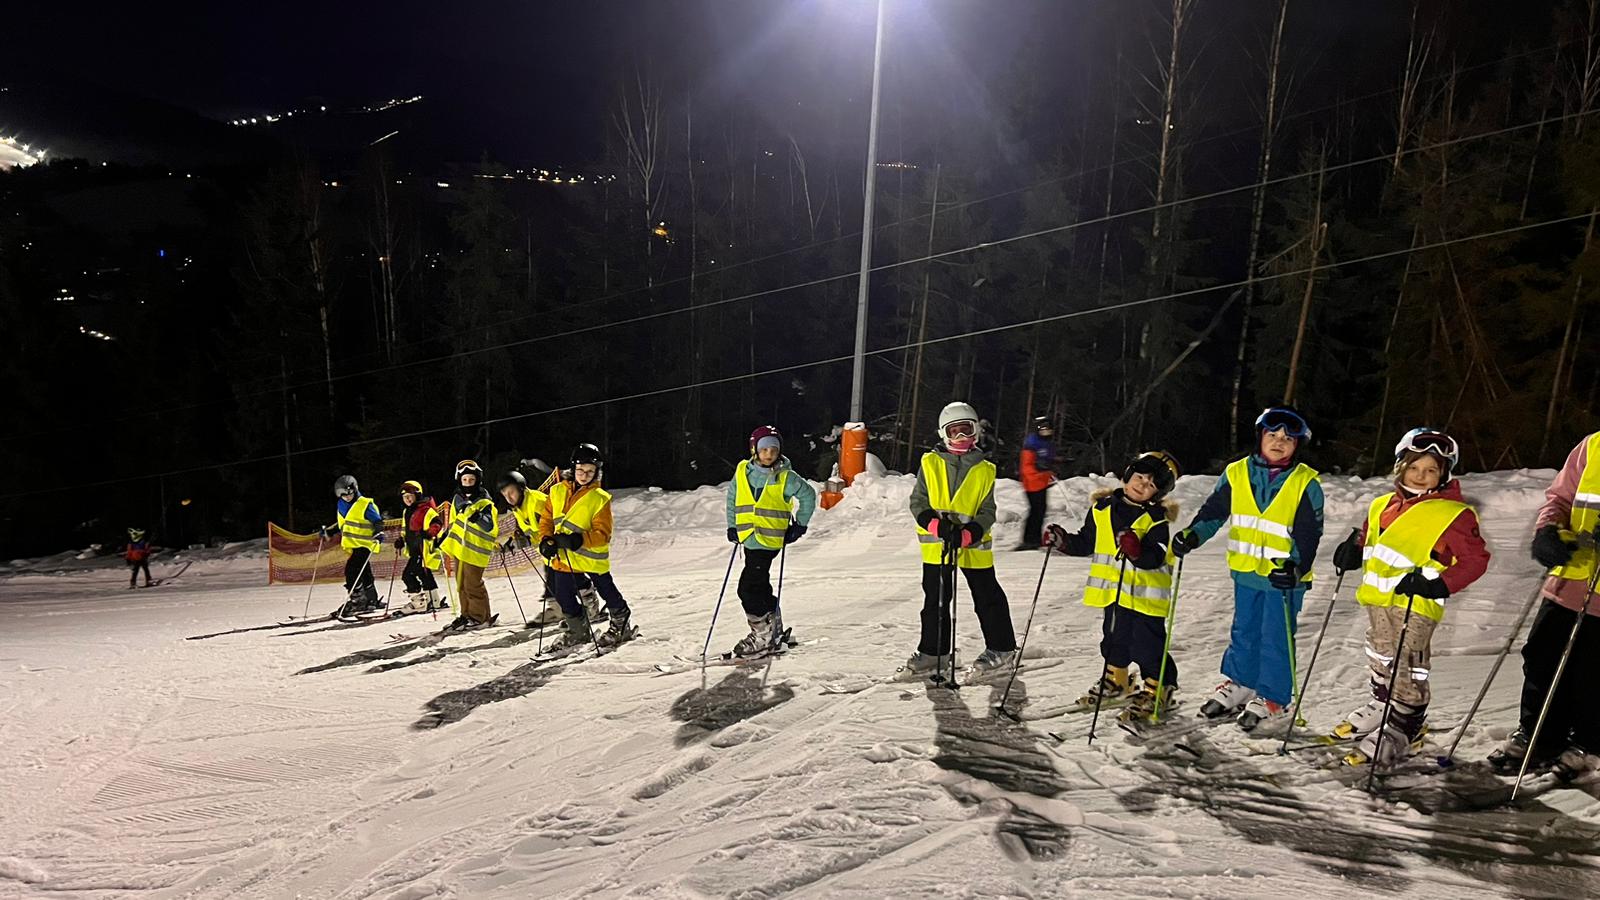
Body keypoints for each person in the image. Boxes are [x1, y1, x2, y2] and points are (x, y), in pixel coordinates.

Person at [1327, 429, 1489, 765]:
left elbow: (1475, 560)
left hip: (1417, 603)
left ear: (1444, 474)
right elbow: (1369, 538)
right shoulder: (1381, 505)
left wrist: (1440, 584)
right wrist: (1352, 549)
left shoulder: (1453, 514)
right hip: (1378, 599)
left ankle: (1407, 723)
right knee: (1379, 652)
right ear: (1400, 466)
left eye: (1431, 470)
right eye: (1414, 467)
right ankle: (1383, 703)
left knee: (1408, 662)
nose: (1420, 475)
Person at [1171, 406, 1325, 731]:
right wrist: (1193, 535)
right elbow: (1214, 512)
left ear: (1297, 445)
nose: (1279, 442)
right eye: (1273, 435)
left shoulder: (1305, 482)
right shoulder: (1237, 473)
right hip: (1246, 572)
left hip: (1283, 579)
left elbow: (1309, 535)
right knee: (1244, 631)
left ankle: (1274, 698)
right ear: (1260, 437)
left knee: (1275, 637)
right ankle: (1241, 684)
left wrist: (1297, 567)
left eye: (1288, 439)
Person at [1490, 430, 1600, 779]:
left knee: (1592, 673)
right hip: (1570, 578)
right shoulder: (1592, 446)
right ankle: (1539, 735)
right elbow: (1560, 498)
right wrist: (1547, 530)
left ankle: (1589, 743)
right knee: (1542, 659)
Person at [1045, 451, 1183, 723]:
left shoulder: (1156, 519)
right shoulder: (1102, 509)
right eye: (1140, 477)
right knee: (1114, 640)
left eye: (1151, 484)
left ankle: (1159, 689)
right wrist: (1063, 542)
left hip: (1146, 598)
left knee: (1147, 646)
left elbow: (1155, 557)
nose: (1142, 484)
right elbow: (1087, 541)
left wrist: (1136, 551)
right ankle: (1117, 681)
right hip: (1114, 594)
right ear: (1127, 475)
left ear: (1158, 493)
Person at [899, 401, 1019, 680]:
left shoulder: (985, 469)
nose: (962, 437)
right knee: (936, 600)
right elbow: (918, 501)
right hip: (938, 543)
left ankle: (1002, 648)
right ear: (944, 434)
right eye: (955, 432)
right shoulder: (930, 463)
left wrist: (970, 532)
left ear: (976, 431)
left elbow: (988, 510)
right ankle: (934, 652)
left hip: (972, 544)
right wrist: (934, 524)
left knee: (987, 596)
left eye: (967, 430)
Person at [725, 425, 818, 658]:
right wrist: (732, 526)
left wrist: (800, 525)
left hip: (769, 540)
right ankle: (773, 627)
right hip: (748, 537)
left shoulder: (785, 477)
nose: (769, 454)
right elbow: (733, 498)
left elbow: (808, 495)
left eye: (774, 450)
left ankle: (762, 636)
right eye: (764, 449)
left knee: (747, 589)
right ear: (754, 449)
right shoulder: (743, 471)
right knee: (759, 584)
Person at [538, 444, 637, 652]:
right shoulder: (556, 491)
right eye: (581, 470)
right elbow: (546, 519)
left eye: (590, 471)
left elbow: (603, 534)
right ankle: (578, 630)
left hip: (590, 555)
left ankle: (621, 622)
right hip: (564, 555)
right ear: (573, 469)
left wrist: (578, 540)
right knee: (562, 594)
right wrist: (546, 539)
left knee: (606, 590)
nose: (585, 475)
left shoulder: (599, 498)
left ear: (596, 472)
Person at [438, 460, 497, 630]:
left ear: (477, 480)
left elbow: (489, 525)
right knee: (461, 584)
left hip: (475, 552)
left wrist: (478, 517)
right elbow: (454, 524)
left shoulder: (484, 501)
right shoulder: (458, 500)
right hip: (461, 550)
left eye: (471, 480)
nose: (468, 483)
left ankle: (480, 617)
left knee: (472, 585)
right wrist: (443, 536)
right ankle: (466, 615)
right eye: (465, 480)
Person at [321, 475, 383, 617]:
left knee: (352, 570)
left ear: (355, 490)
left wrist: (379, 532)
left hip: (366, 543)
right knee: (364, 571)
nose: (347, 497)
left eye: (349, 493)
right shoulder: (341, 505)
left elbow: (378, 521)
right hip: (354, 544)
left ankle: (358, 600)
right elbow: (344, 524)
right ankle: (371, 599)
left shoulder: (365, 504)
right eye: (343, 495)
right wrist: (329, 532)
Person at [394, 480, 447, 614]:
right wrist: (401, 540)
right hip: (414, 549)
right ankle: (434, 601)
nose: (407, 499)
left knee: (408, 575)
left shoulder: (426, 510)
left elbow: (437, 523)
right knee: (424, 575)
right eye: (405, 497)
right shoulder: (407, 511)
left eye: (410, 496)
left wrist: (429, 533)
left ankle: (419, 603)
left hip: (423, 549)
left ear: (417, 495)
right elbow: (405, 529)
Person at [1017, 417, 1057, 550]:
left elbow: (1048, 460)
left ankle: (1035, 539)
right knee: (1036, 511)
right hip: (1032, 483)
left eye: (1048, 430)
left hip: (1042, 482)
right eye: (1043, 429)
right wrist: (1038, 468)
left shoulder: (1047, 443)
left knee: (1040, 511)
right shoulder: (1032, 443)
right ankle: (1029, 540)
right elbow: (1026, 466)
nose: (1046, 432)